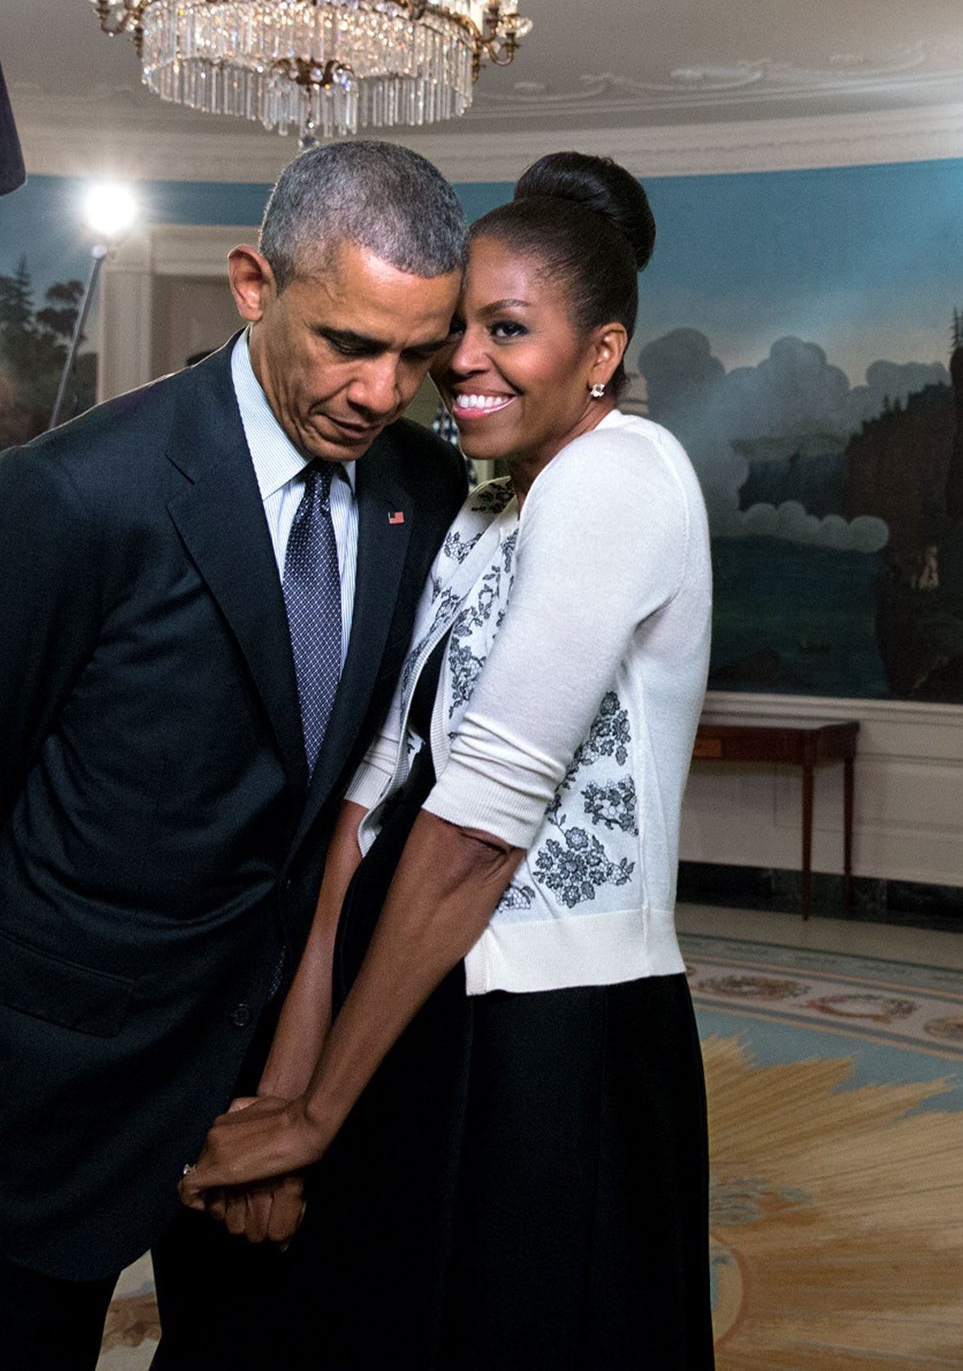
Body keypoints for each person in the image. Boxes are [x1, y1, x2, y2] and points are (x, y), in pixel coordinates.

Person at [0, 140, 472, 1371]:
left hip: (268, 1081)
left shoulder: (422, 487)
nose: (382, 392)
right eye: (349, 344)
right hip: (52, 1076)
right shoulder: (72, 495)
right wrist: (38, 989)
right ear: (254, 283)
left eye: (418, 355)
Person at [180, 151, 716, 1368]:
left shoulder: (622, 476)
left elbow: (481, 822)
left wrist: (314, 1114)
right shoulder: (484, 506)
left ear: (599, 352)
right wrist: (294, 1088)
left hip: (549, 1028)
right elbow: (363, 815)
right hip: (410, 990)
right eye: (457, 327)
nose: (461, 360)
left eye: (509, 329)